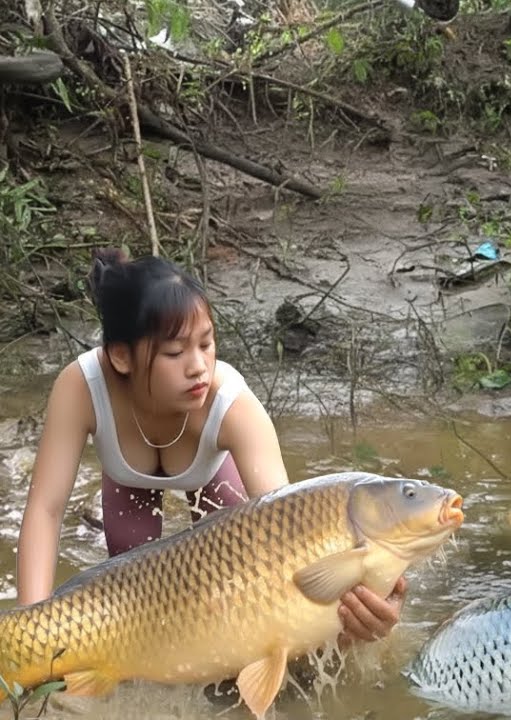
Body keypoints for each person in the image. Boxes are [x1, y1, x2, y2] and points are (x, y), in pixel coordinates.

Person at [16, 247, 404, 644]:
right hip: (126, 479)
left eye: (206, 343)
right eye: (175, 352)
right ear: (120, 356)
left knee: (232, 590)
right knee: (130, 602)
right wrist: (30, 628)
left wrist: (358, 610)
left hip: (212, 478)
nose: (198, 366)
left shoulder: (232, 404)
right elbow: (45, 510)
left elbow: (286, 531)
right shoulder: (81, 386)